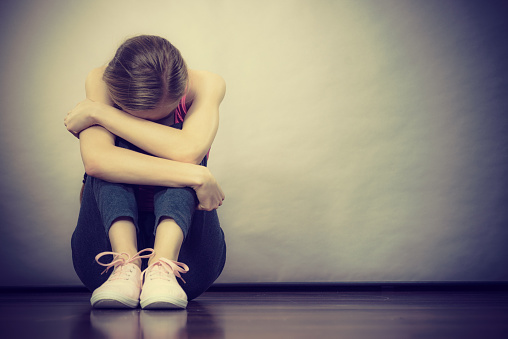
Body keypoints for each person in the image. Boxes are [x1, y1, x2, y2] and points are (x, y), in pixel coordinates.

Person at [64, 35, 227, 310]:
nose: (152, 123)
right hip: (103, 260)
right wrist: (197, 176)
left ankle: (162, 266)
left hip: (186, 266)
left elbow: (188, 151)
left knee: (180, 155)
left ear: (183, 86)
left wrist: (98, 113)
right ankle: (125, 264)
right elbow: (97, 161)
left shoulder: (206, 84)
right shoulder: (101, 80)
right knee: (114, 160)